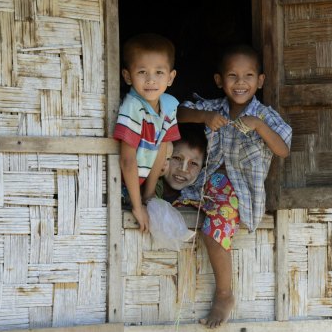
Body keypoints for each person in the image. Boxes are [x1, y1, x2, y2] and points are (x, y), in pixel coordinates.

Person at [177, 44, 292, 328]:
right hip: (206, 185)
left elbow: (283, 150)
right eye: (232, 76)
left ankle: (225, 294)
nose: (240, 82)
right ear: (219, 81)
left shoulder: (265, 116)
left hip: (239, 193)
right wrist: (204, 118)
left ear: (260, 81)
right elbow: (177, 113)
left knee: (214, 232)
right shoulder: (215, 108)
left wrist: (260, 127)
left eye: (249, 75)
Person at [113, 33, 180, 234]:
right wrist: (137, 205)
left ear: (170, 77)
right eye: (142, 72)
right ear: (127, 76)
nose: (151, 80)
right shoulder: (133, 106)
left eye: (159, 72)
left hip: (143, 183)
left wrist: (149, 195)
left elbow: (161, 149)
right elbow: (127, 160)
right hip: (123, 185)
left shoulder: (169, 106)